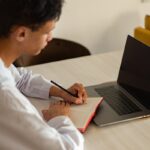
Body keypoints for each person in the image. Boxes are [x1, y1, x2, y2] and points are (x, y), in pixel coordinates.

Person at [0, 0, 88, 149]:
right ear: (22, 33)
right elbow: (67, 148)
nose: (50, 38)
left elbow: (20, 80)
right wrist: (59, 118)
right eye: (47, 32)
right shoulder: (6, 99)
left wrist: (60, 92)